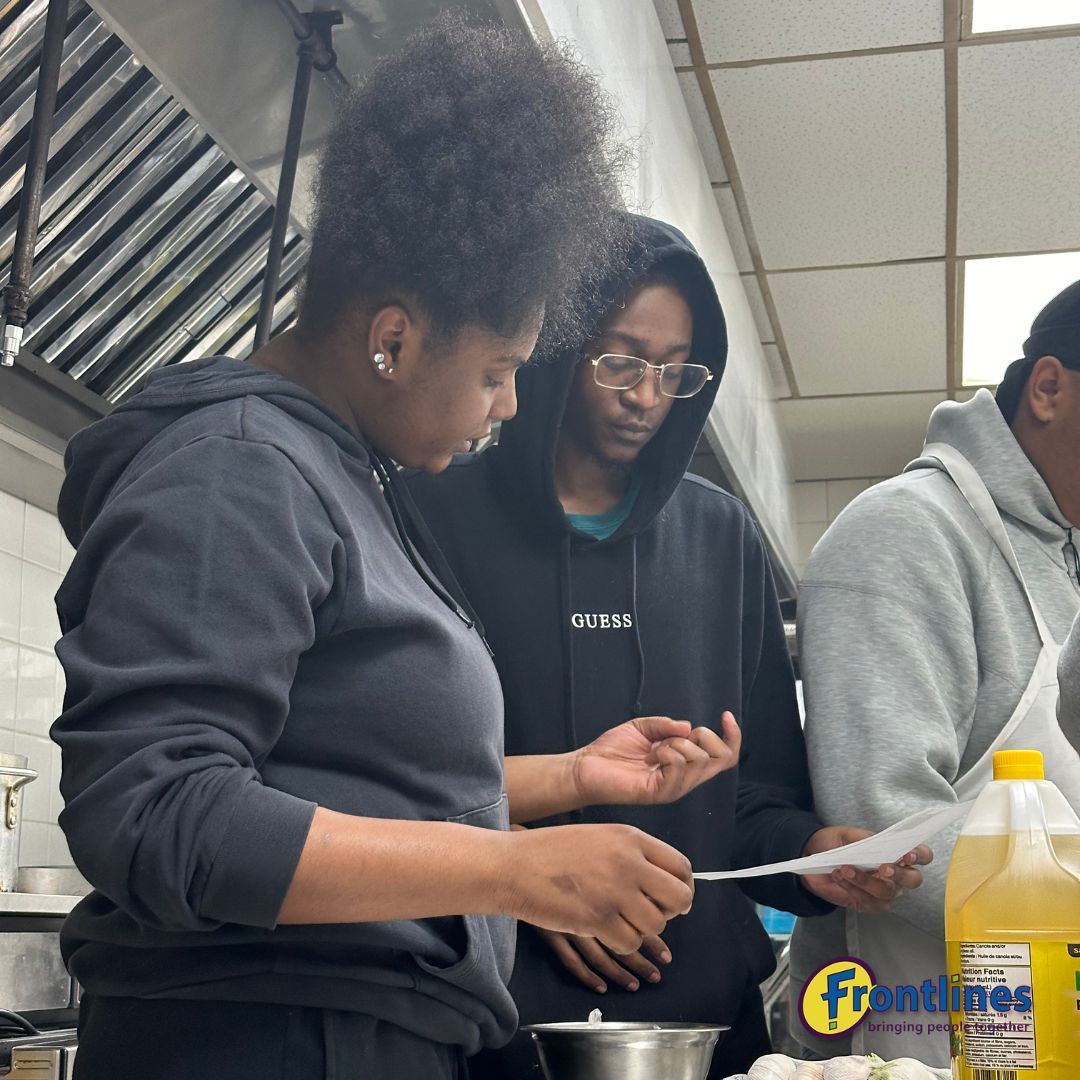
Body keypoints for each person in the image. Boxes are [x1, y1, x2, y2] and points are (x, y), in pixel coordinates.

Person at [49, 20, 731, 1080]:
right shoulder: (240, 467)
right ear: (395, 338)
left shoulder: (344, 479)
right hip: (265, 1042)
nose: (508, 406)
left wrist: (565, 778)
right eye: (500, 368)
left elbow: (351, 787)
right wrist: (517, 872)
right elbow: (157, 814)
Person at [407, 214, 930, 1078]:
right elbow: (391, 786)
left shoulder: (718, 537)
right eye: (619, 360)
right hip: (491, 1017)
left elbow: (752, 794)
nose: (646, 395)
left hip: (703, 1024)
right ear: (552, 349)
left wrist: (811, 859)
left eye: (673, 370)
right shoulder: (436, 517)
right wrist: (516, 889)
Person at [792, 278, 1080, 1065]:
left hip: (1046, 1013)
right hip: (916, 1025)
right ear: (1049, 388)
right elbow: (886, 822)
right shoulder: (903, 533)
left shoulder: (1065, 556)